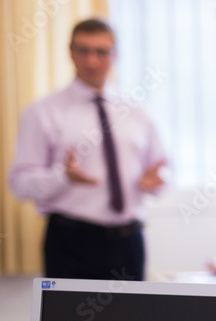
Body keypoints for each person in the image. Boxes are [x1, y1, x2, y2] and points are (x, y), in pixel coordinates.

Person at [8, 17, 166, 281]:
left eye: (101, 52)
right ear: (70, 52)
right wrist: (62, 176)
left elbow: (163, 167)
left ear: (115, 55)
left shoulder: (138, 112)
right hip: (71, 242)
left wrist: (157, 181)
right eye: (83, 50)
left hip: (128, 243)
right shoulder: (43, 112)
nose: (91, 61)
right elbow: (19, 184)